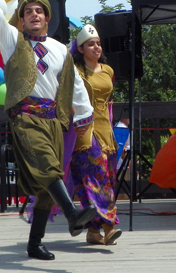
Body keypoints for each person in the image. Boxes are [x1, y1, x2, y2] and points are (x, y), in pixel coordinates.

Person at [0, 0, 97, 260]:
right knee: (48, 167)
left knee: (44, 185)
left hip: (53, 120)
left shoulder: (58, 49)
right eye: (28, 11)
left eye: (39, 10)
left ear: (47, 17)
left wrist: (84, 116)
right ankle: (73, 214)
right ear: (21, 20)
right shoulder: (12, 40)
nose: (34, 14)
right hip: (25, 117)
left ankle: (35, 242)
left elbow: (75, 85)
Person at [69, 25, 122, 246]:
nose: (96, 47)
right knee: (97, 179)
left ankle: (93, 232)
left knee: (106, 178)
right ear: (80, 49)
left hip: (106, 130)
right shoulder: (74, 71)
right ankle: (109, 226)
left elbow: (109, 102)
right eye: (91, 44)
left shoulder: (108, 70)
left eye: (98, 43)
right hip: (84, 131)